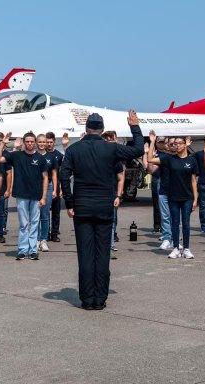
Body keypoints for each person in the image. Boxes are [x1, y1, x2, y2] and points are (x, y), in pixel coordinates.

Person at [60, 111, 143, 310]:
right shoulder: (111, 148)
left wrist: (70, 204)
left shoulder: (74, 150)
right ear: (102, 129)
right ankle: (100, 299)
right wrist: (135, 126)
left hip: (82, 208)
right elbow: (138, 149)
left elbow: (64, 176)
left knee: (85, 255)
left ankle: (87, 299)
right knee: (102, 254)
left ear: (86, 128)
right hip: (104, 207)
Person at [0, 132, 48, 260]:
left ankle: (33, 250)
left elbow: (45, 178)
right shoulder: (16, 155)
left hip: (36, 195)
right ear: (24, 142)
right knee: (24, 224)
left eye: (31, 141)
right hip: (21, 195)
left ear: (34, 142)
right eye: (27, 141)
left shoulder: (40, 158)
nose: (29, 144)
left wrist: (44, 197)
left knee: (34, 223)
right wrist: (3, 144)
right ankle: (23, 250)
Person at [147, 133, 198, 259]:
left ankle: (186, 248)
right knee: (174, 223)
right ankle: (175, 247)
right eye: (175, 144)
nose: (177, 146)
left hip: (187, 197)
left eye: (179, 143)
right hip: (173, 196)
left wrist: (196, 199)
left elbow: (193, 181)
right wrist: (152, 142)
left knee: (185, 223)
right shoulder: (169, 158)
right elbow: (149, 160)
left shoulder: (192, 160)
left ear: (185, 144)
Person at [144, 136, 172, 250]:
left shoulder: (177, 155)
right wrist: (148, 149)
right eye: (162, 142)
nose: (165, 144)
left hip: (176, 187)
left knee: (175, 215)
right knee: (164, 214)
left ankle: (174, 238)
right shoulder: (161, 156)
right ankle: (166, 237)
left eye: (167, 142)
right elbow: (149, 168)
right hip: (163, 185)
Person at [102, 131, 125, 254]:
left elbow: (121, 179)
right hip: (98, 195)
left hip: (112, 194)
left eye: (112, 141)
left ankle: (110, 244)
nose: (109, 144)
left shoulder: (117, 161)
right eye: (107, 141)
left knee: (112, 220)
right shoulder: (97, 158)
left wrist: (118, 196)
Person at [36, 134, 58, 252]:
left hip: (48, 187)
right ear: (36, 142)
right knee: (34, 216)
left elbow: (54, 174)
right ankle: (36, 240)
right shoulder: (33, 155)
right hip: (35, 188)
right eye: (39, 142)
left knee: (44, 215)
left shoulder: (51, 157)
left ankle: (43, 239)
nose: (42, 144)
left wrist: (55, 189)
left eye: (44, 142)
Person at [46, 132, 64, 243]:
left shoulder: (59, 155)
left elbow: (62, 173)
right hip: (45, 187)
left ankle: (55, 234)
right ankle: (46, 233)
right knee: (45, 211)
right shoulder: (41, 154)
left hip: (56, 186)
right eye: (47, 142)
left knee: (56, 212)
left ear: (54, 142)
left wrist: (61, 188)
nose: (49, 144)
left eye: (51, 142)